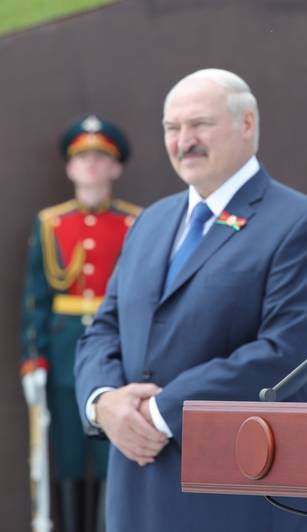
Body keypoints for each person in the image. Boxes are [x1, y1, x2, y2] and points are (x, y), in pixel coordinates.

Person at [74, 69, 307, 532]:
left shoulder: (303, 224)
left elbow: (285, 353)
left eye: (199, 124)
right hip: (137, 492)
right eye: (172, 128)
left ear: (247, 125)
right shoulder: (151, 222)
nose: (184, 140)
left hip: (243, 496)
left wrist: (160, 412)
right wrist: (103, 403)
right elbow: (105, 327)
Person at [20, 114, 141, 532]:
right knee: (69, 456)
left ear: (115, 167)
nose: (90, 166)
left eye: (99, 157)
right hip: (63, 348)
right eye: (82, 158)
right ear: (70, 168)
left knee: (114, 455)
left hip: (118, 353)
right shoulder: (51, 223)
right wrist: (33, 359)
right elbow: (36, 297)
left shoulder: (134, 223)